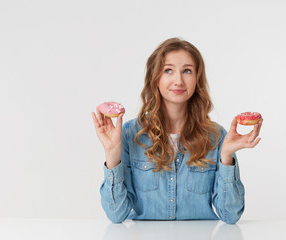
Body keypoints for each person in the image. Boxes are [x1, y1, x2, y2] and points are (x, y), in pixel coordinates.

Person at [91, 37, 263, 224]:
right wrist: (112, 154)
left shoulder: (217, 136)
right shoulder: (130, 134)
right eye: (168, 70)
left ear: (197, 78)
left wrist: (227, 156)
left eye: (187, 71)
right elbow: (116, 215)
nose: (178, 80)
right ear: (155, 78)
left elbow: (230, 216)